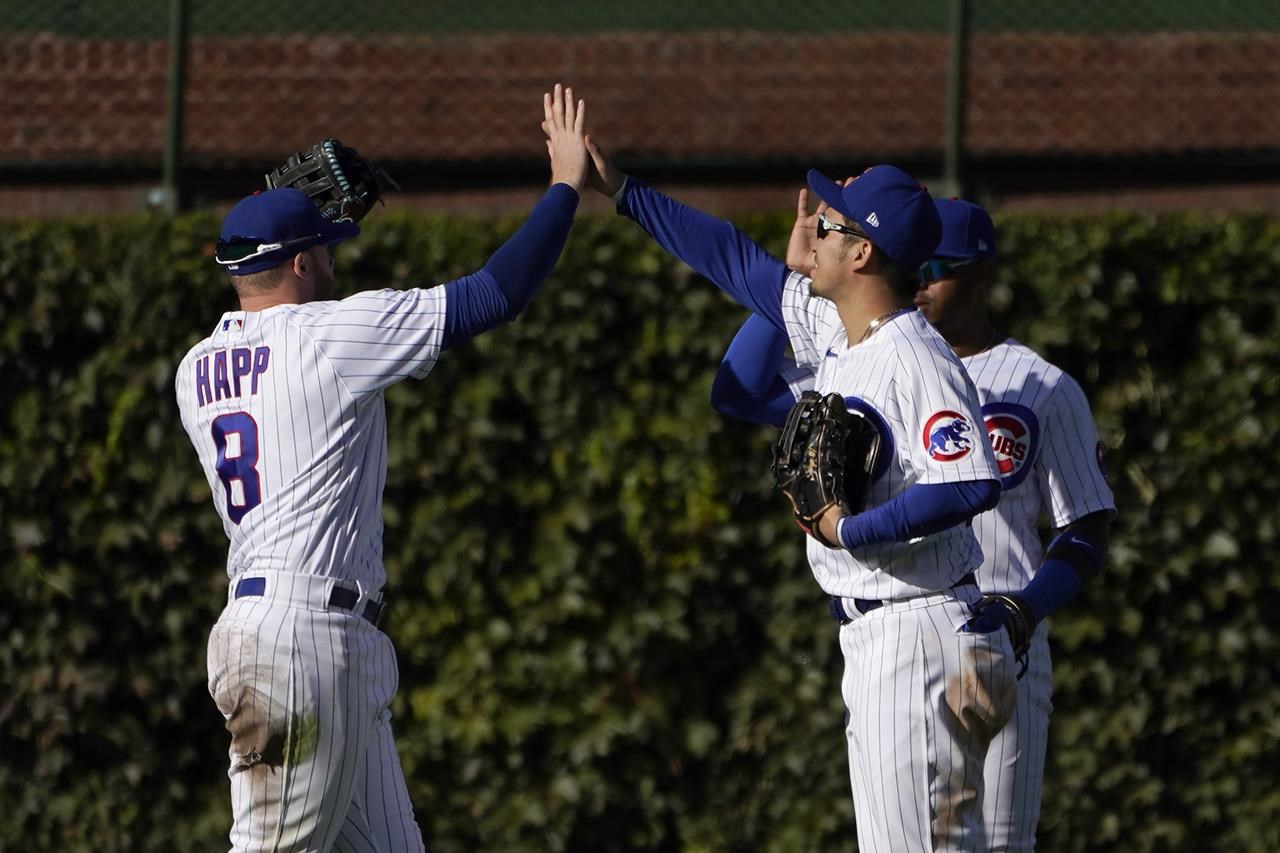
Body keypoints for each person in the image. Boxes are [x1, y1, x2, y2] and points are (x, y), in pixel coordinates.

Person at [175, 84, 589, 852]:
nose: (337, 258)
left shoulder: (194, 368)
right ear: (302, 261)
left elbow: (273, 296)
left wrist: (281, 224)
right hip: (305, 642)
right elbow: (496, 293)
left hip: (289, 631)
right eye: (327, 249)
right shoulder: (331, 336)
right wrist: (564, 184)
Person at [581, 129, 1016, 850]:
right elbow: (730, 259)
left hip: (917, 630)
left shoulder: (914, 356)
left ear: (863, 252)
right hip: (890, 632)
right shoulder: (845, 332)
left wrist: (853, 531)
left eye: (830, 222)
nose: (813, 226)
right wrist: (623, 189)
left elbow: (972, 481)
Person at [714, 193, 1117, 851]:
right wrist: (788, 282)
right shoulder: (861, 355)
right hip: (905, 628)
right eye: (919, 263)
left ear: (983, 271)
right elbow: (737, 391)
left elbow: (1086, 525)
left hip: (1005, 638)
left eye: (943, 265)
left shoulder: (1040, 384)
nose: (924, 278)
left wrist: (1027, 606)